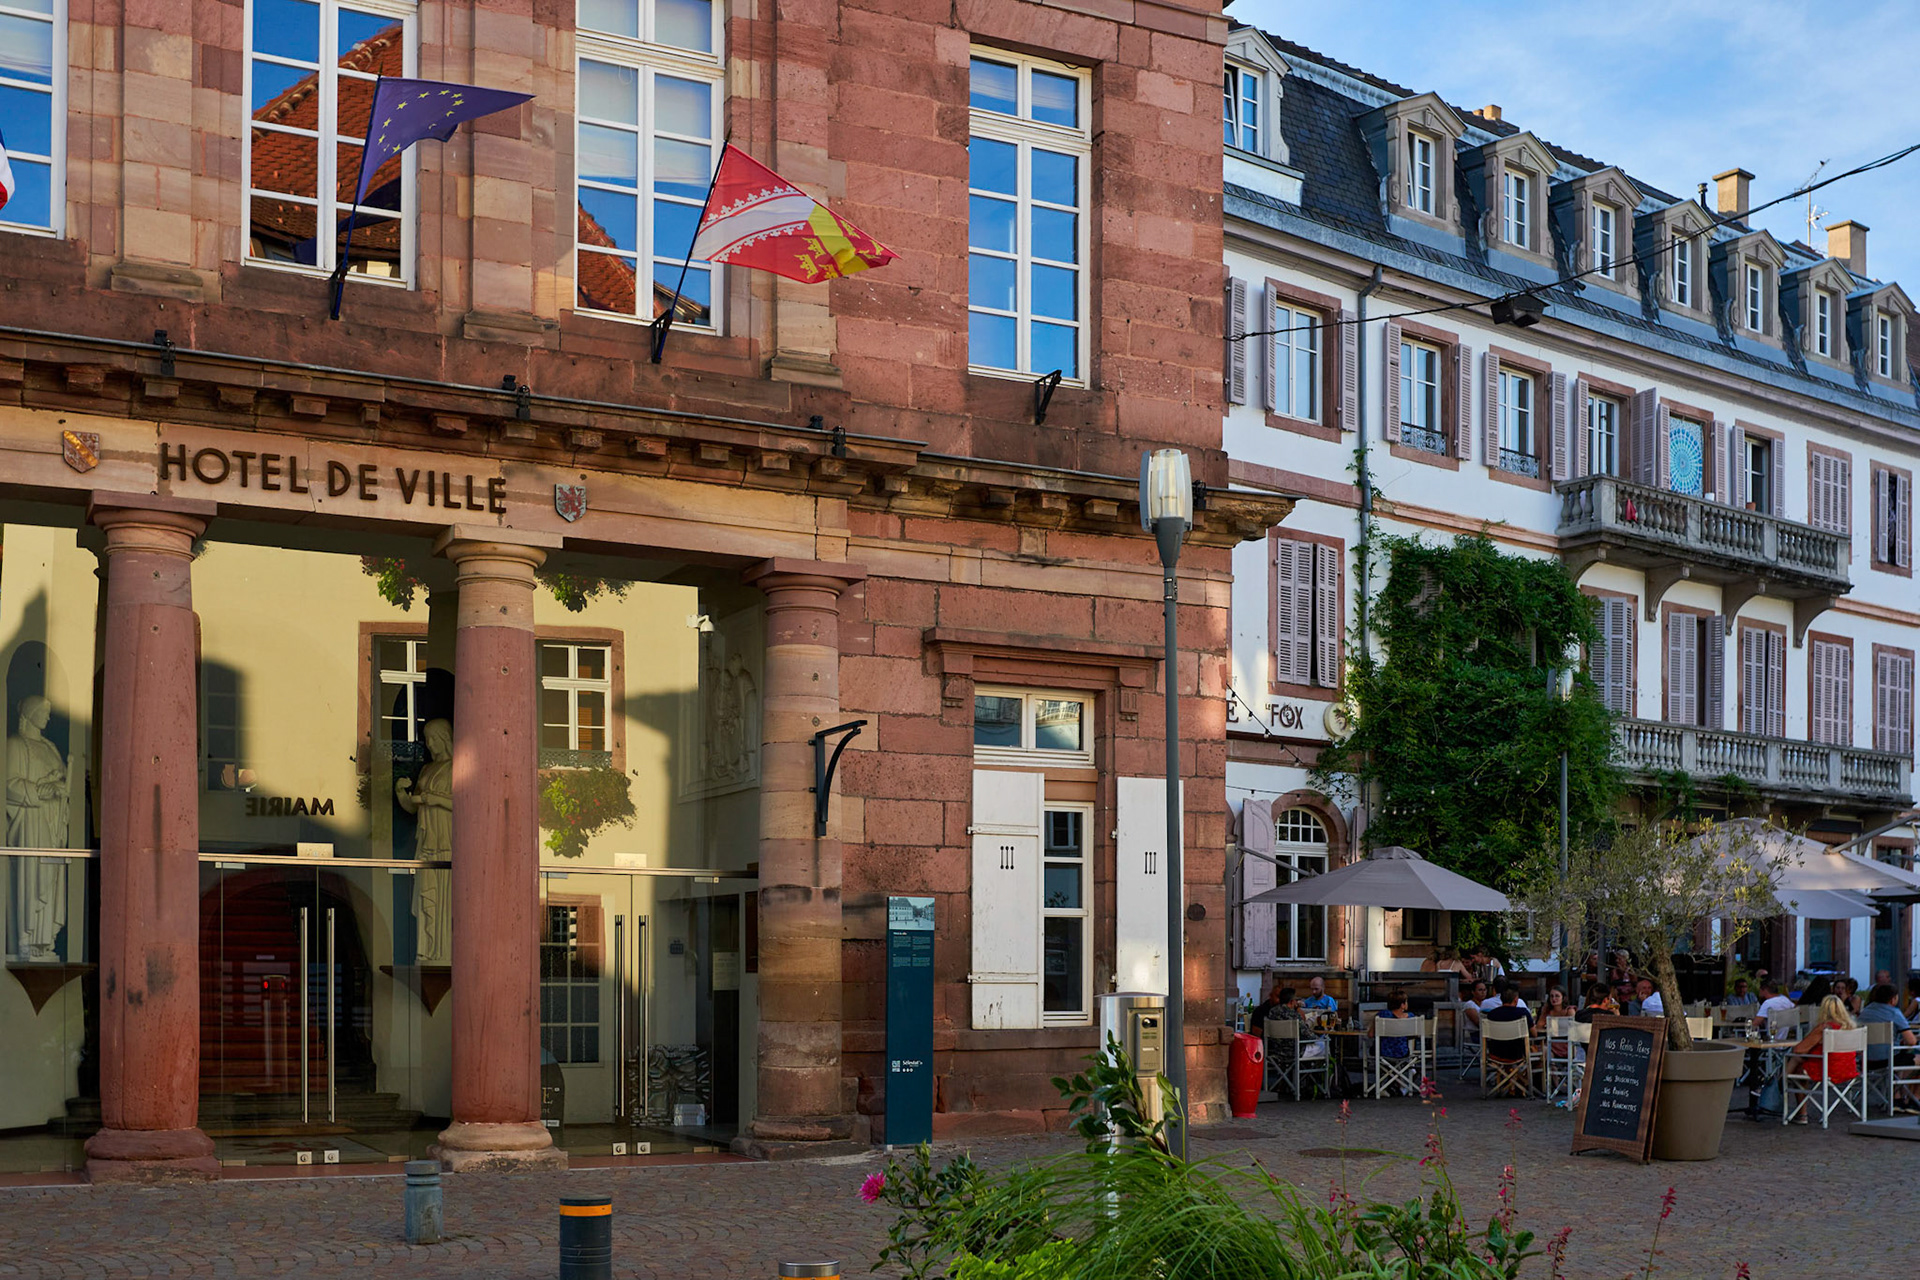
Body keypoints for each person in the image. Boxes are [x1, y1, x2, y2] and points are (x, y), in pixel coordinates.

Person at [1784, 995, 1861, 1122]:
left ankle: (1801, 1112)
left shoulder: (1824, 1028)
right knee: (1798, 1061)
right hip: (1848, 1069)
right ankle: (1779, 1084)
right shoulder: (1851, 1028)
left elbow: (1798, 1049)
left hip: (1827, 1070)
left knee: (1796, 1063)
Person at [1856, 983, 1917, 1106]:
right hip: (1887, 1060)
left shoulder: (1865, 1012)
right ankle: (1912, 1098)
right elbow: (1911, 1041)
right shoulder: (1894, 1013)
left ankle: (1897, 1096)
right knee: (1913, 1058)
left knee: (1902, 1058)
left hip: (1865, 1060)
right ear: (1893, 999)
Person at [1483, 986, 1530, 1065]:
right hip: (1517, 1054)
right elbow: (1534, 1033)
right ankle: (1521, 1072)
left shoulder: (1492, 1014)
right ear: (1516, 1000)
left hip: (1495, 1054)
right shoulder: (1523, 1013)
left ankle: (1508, 1072)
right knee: (1542, 1050)